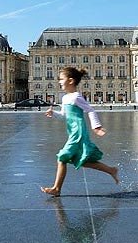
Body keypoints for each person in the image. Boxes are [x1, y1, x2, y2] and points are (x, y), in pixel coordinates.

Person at [41, 67, 119, 197]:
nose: (59, 81)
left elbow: (90, 110)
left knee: (62, 157)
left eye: (61, 79)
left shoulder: (77, 97)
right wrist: (53, 113)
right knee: (81, 160)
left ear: (70, 81)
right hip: (72, 132)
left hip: (78, 132)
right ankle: (111, 170)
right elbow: (64, 115)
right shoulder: (65, 98)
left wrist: (96, 127)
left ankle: (56, 188)